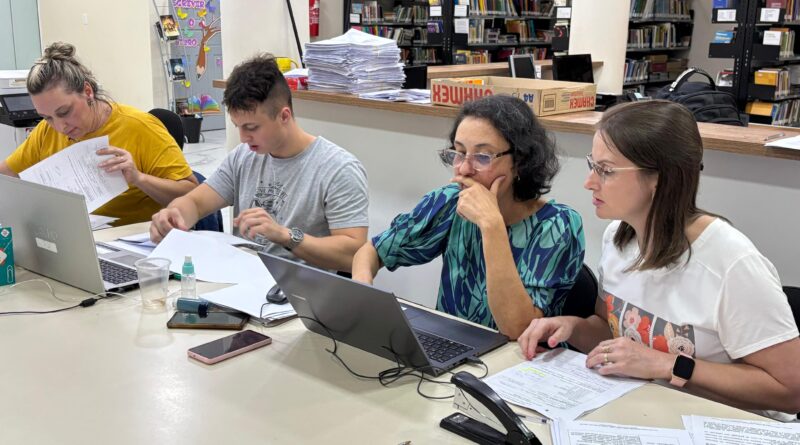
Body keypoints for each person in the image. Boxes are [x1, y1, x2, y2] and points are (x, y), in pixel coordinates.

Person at [518, 100, 800, 420]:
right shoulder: (618, 238)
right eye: (591, 165)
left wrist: (668, 364)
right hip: (652, 411)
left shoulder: (731, 263)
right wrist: (571, 327)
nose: (589, 182)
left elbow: (791, 390)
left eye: (606, 170)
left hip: (730, 425)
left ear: (660, 178)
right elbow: (612, 334)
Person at [352, 95, 585, 339]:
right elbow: (371, 251)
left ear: (520, 162)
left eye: (483, 157)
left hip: (521, 363)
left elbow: (517, 329)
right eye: (459, 153)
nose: (464, 169)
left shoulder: (558, 224)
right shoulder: (451, 201)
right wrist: (362, 290)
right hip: (453, 348)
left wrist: (491, 225)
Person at [150, 54, 369, 273]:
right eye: (238, 127)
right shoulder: (243, 157)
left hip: (300, 295)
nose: (244, 137)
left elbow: (353, 255)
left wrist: (285, 236)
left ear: (284, 116)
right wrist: (174, 214)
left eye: (252, 127)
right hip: (243, 281)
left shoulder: (338, 168)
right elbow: (196, 203)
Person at [0, 42, 197, 227]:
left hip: (130, 243)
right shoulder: (46, 131)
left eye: (64, 112)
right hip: (73, 236)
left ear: (87, 92)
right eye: (47, 117)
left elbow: (192, 194)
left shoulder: (139, 127)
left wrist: (139, 178)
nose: (60, 126)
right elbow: (6, 175)